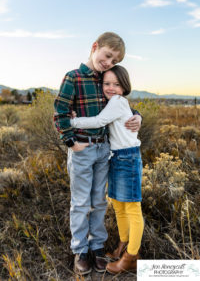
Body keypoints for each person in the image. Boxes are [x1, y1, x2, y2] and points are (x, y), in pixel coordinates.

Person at [53, 32, 142, 275]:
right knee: (81, 202)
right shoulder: (73, 77)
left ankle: (97, 246)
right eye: (107, 55)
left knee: (99, 201)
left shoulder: (105, 78)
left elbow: (121, 104)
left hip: (105, 150)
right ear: (95, 47)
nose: (109, 62)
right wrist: (70, 142)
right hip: (82, 148)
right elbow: (60, 112)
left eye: (114, 61)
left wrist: (138, 117)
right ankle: (81, 250)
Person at [70, 65, 144, 274]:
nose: (111, 88)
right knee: (119, 205)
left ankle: (132, 256)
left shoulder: (118, 102)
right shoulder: (112, 101)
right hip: (117, 157)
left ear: (124, 86)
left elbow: (99, 121)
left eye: (116, 84)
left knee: (132, 208)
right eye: (107, 83)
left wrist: (72, 121)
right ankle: (123, 244)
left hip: (128, 157)